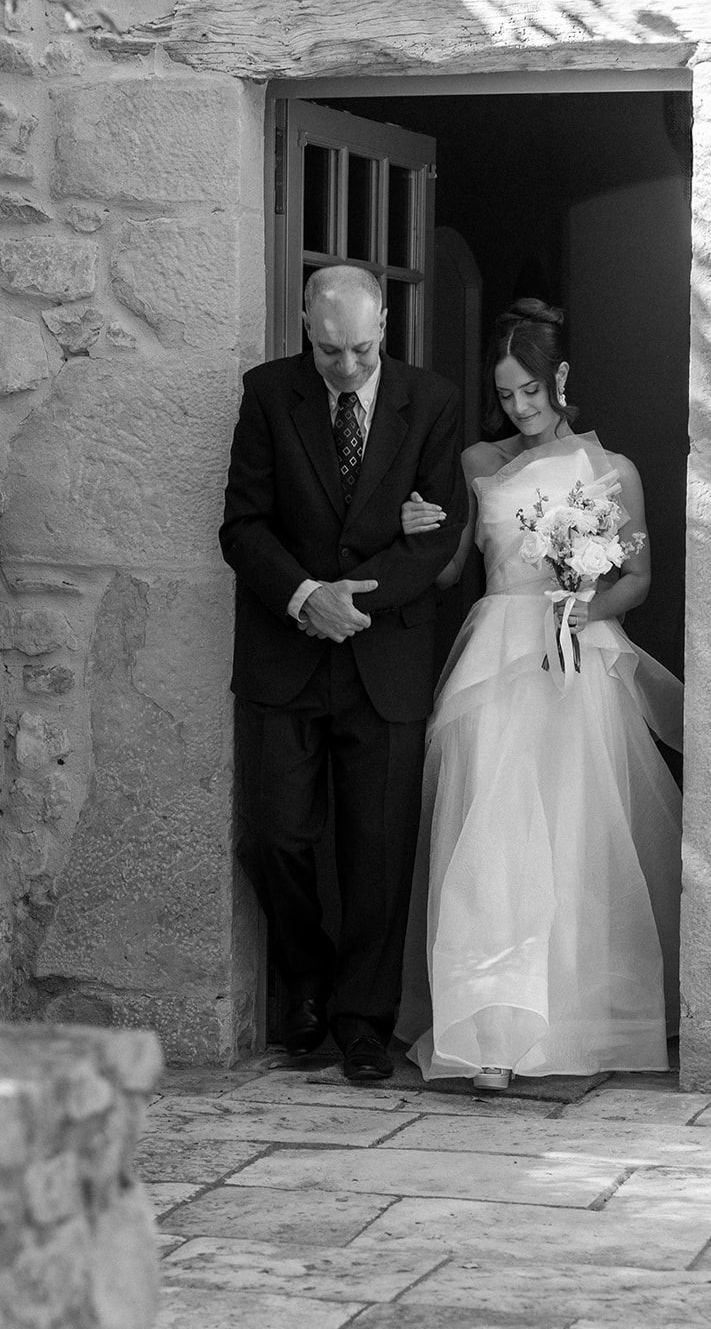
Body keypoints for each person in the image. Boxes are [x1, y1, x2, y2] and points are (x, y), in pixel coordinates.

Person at [397, 298, 683, 1090]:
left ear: (558, 378)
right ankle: (488, 1028)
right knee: (490, 835)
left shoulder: (610, 472)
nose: (518, 408)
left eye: (529, 390)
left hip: (574, 663)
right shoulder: (478, 466)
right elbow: (454, 569)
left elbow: (638, 575)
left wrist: (583, 606)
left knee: (575, 835)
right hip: (495, 658)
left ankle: (574, 1019)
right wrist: (419, 528)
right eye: (507, 396)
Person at [219, 265, 467, 1083]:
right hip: (283, 655)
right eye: (329, 351)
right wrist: (303, 597)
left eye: (361, 348)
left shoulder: (431, 402)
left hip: (384, 657)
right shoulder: (266, 395)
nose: (348, 366)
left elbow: (438, 536)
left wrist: (353, 602)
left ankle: (362, 1020)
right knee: (277, 836)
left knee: (377, 849)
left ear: (386, 324)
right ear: (304, 326)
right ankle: (308, 983)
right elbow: (242, 525)